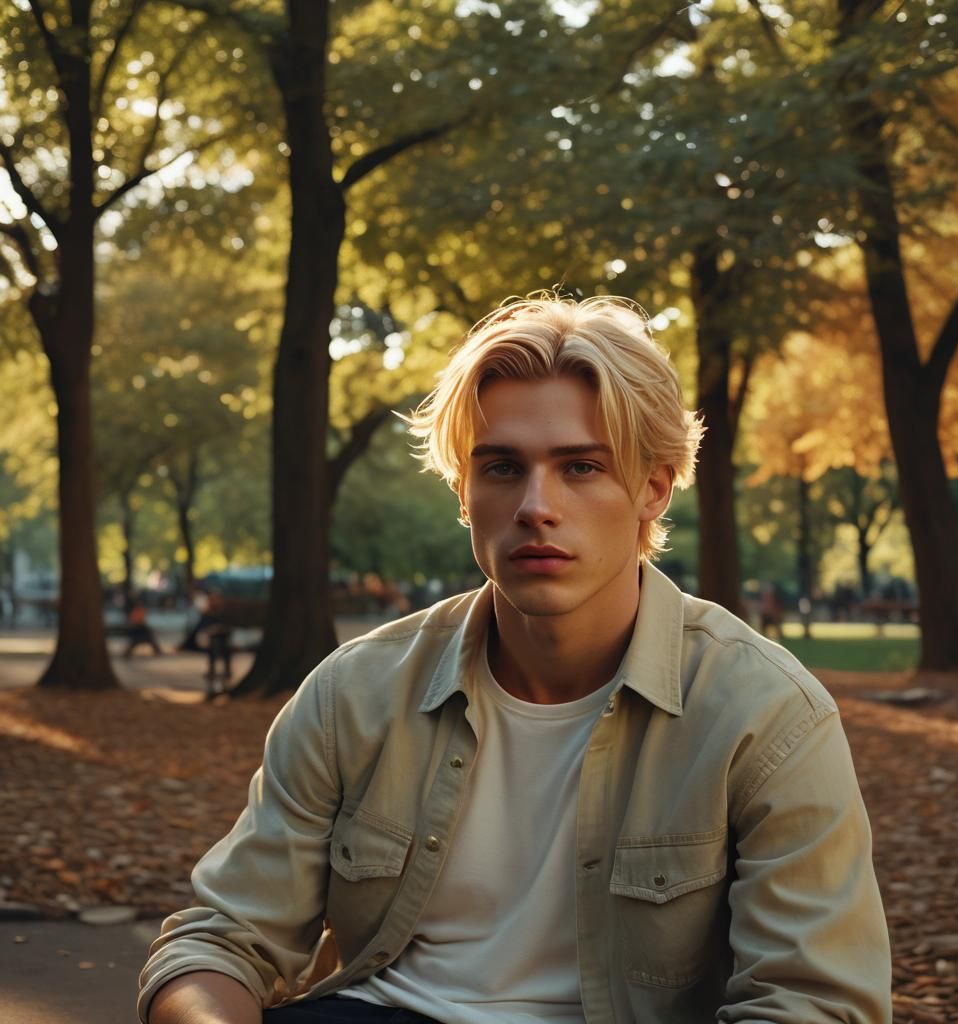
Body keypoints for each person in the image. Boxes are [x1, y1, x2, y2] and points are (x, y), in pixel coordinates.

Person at [140, 295, 891, 1024]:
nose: (536, 504)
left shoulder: (766, 715)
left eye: (582, 467)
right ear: (464, 492)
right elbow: (219, 940)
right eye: (501, 467)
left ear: (653, 489)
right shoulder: (355, 693)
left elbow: (813, 1001)